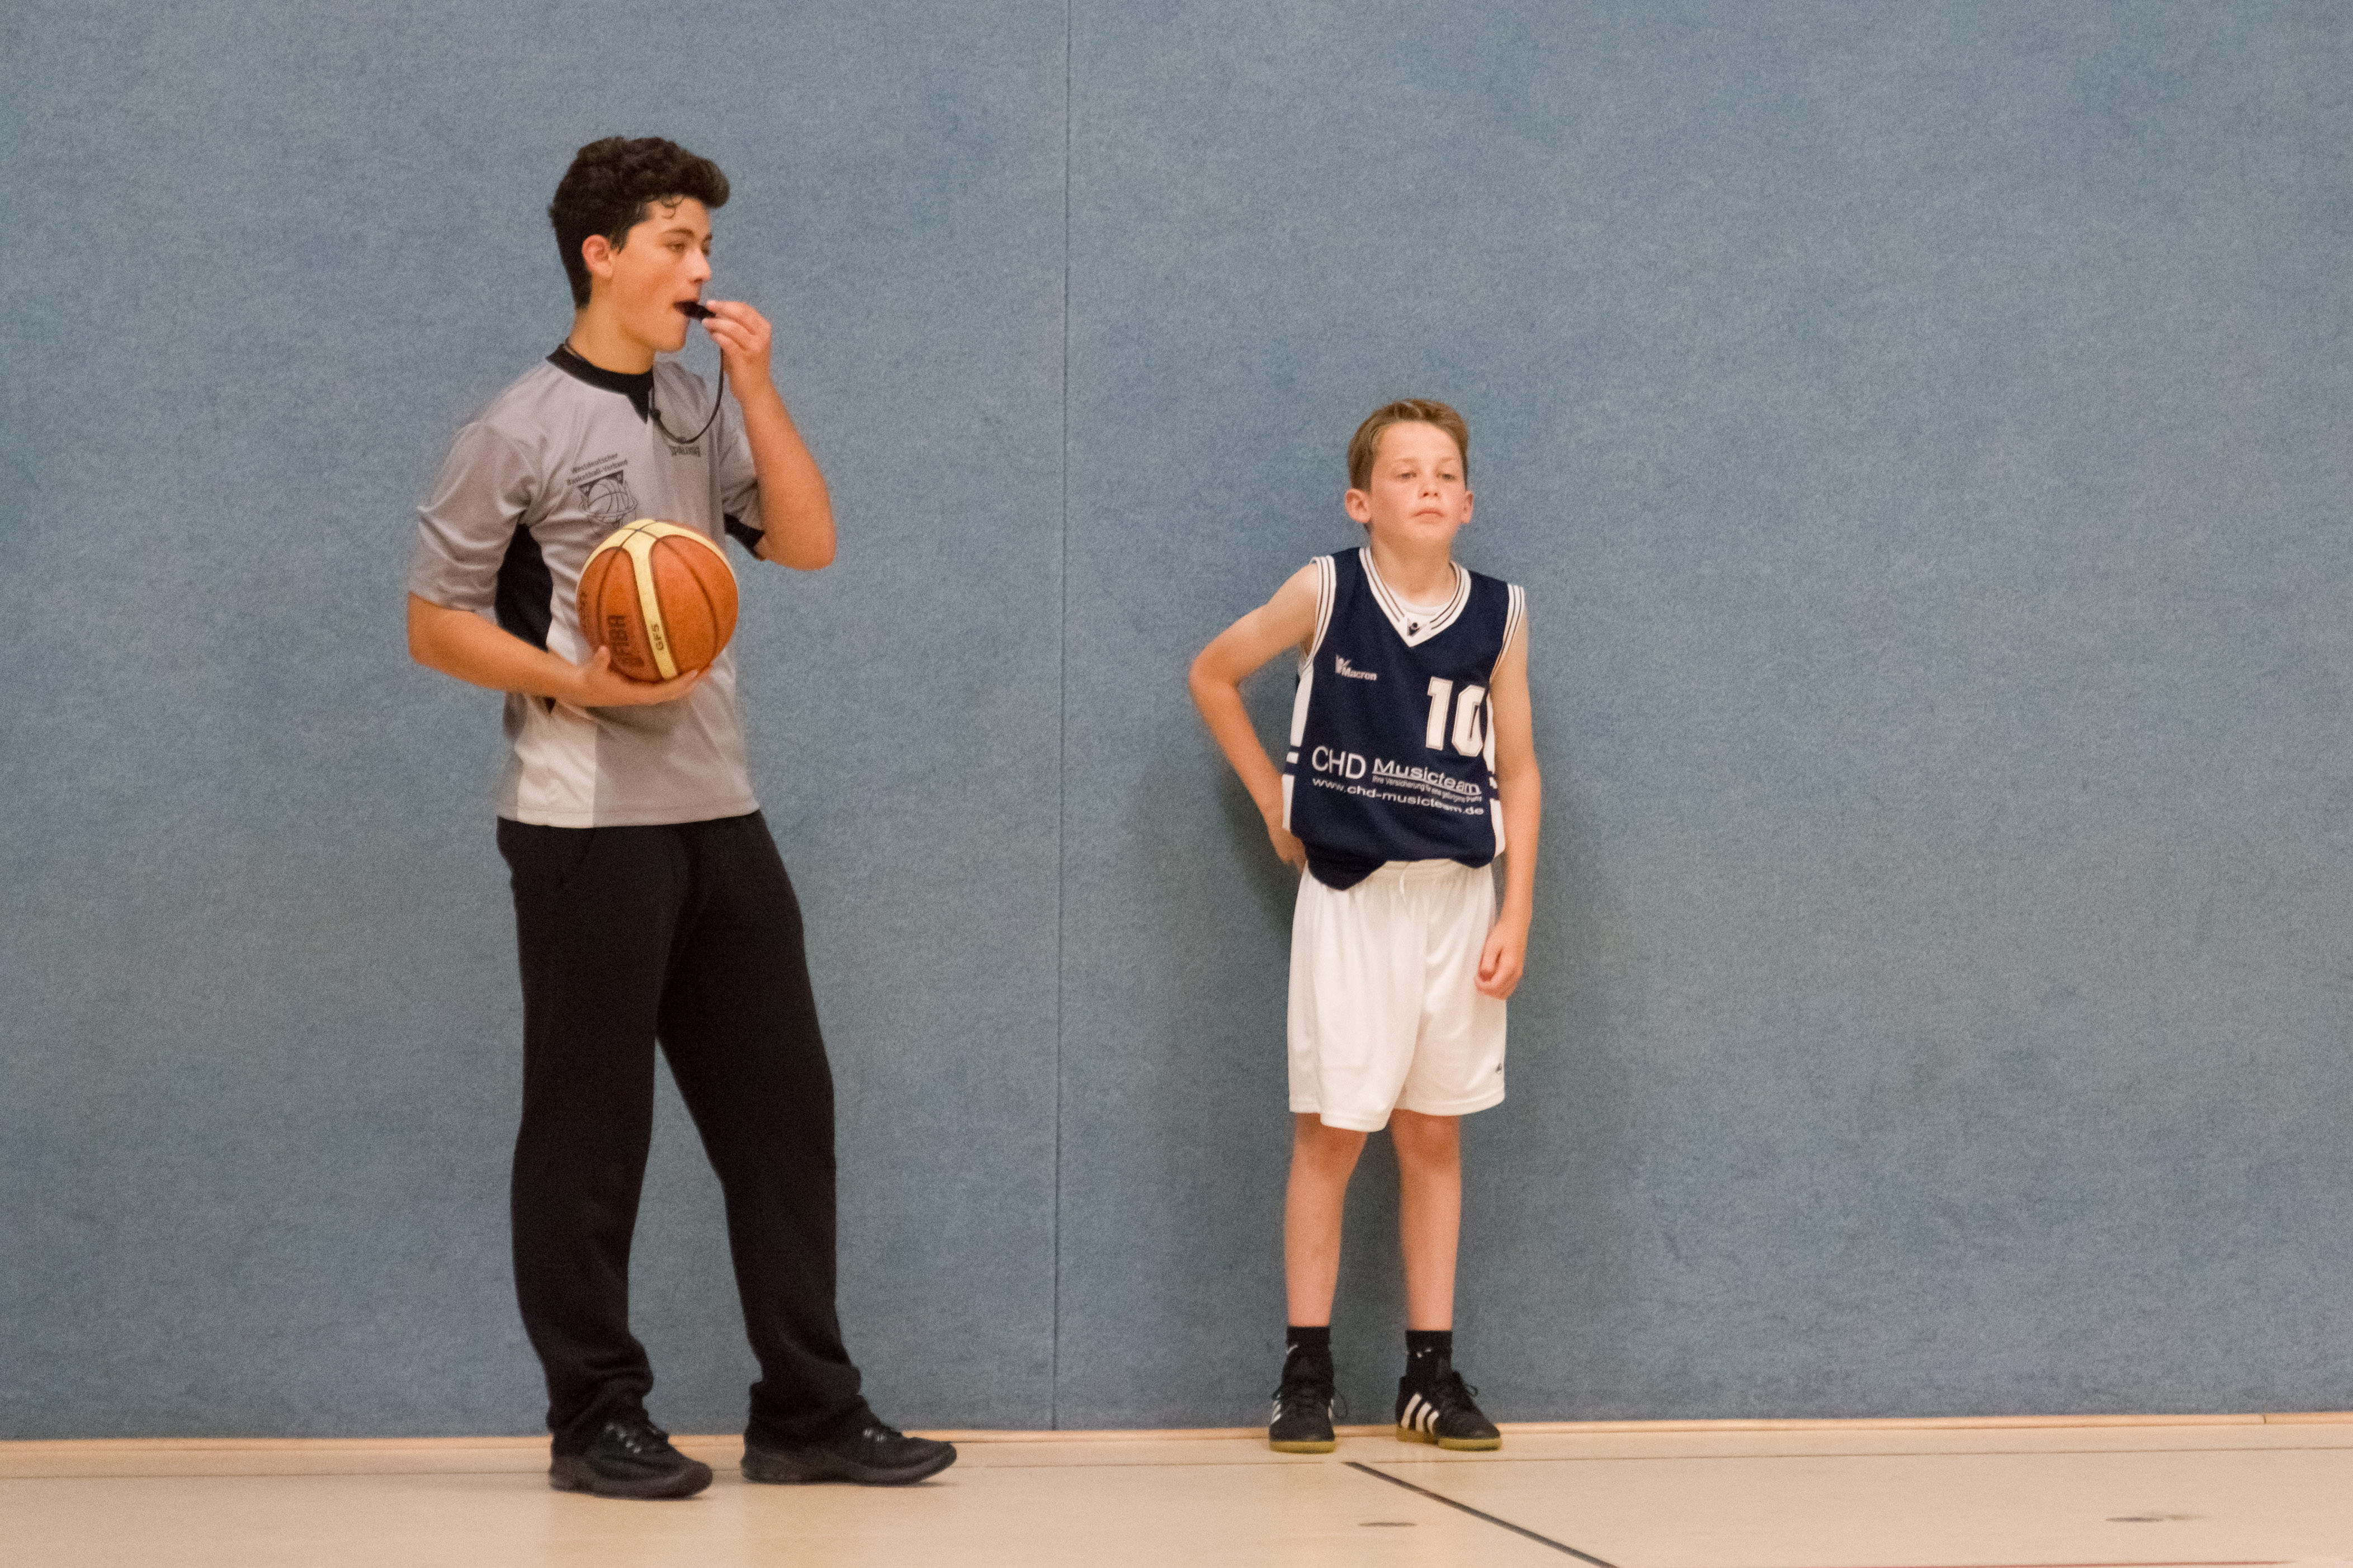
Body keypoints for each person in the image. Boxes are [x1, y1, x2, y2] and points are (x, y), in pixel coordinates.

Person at [406, 135, 955, 1499]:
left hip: (720, 806)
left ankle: (807, 1410)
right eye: (676, 241)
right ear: (602, 255)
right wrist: (578, 681)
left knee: (785, 1120)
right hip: (582, 823)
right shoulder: (515, 426)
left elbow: (809, 542)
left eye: (707, 244)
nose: (702, 266)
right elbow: (434, 623)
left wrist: (758, 388)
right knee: (590, 1137)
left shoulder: (701, 406)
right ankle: (595, 1415)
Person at [1188, 399, 1539, 1455]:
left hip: (1456, 898)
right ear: (1361, 500)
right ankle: (1307, 1372)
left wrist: (1518, 906)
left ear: (1469, 503)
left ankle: (1429, 1374)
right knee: (1334, 1131)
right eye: (1405, 471)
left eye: (1446, 473)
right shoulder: (1327, 589)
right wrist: (1274, 800)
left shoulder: (1501, 614)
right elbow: (1213, 673)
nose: (1428, 485)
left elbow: (1519, 768)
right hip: (1353, 897)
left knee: (1433, 1133)